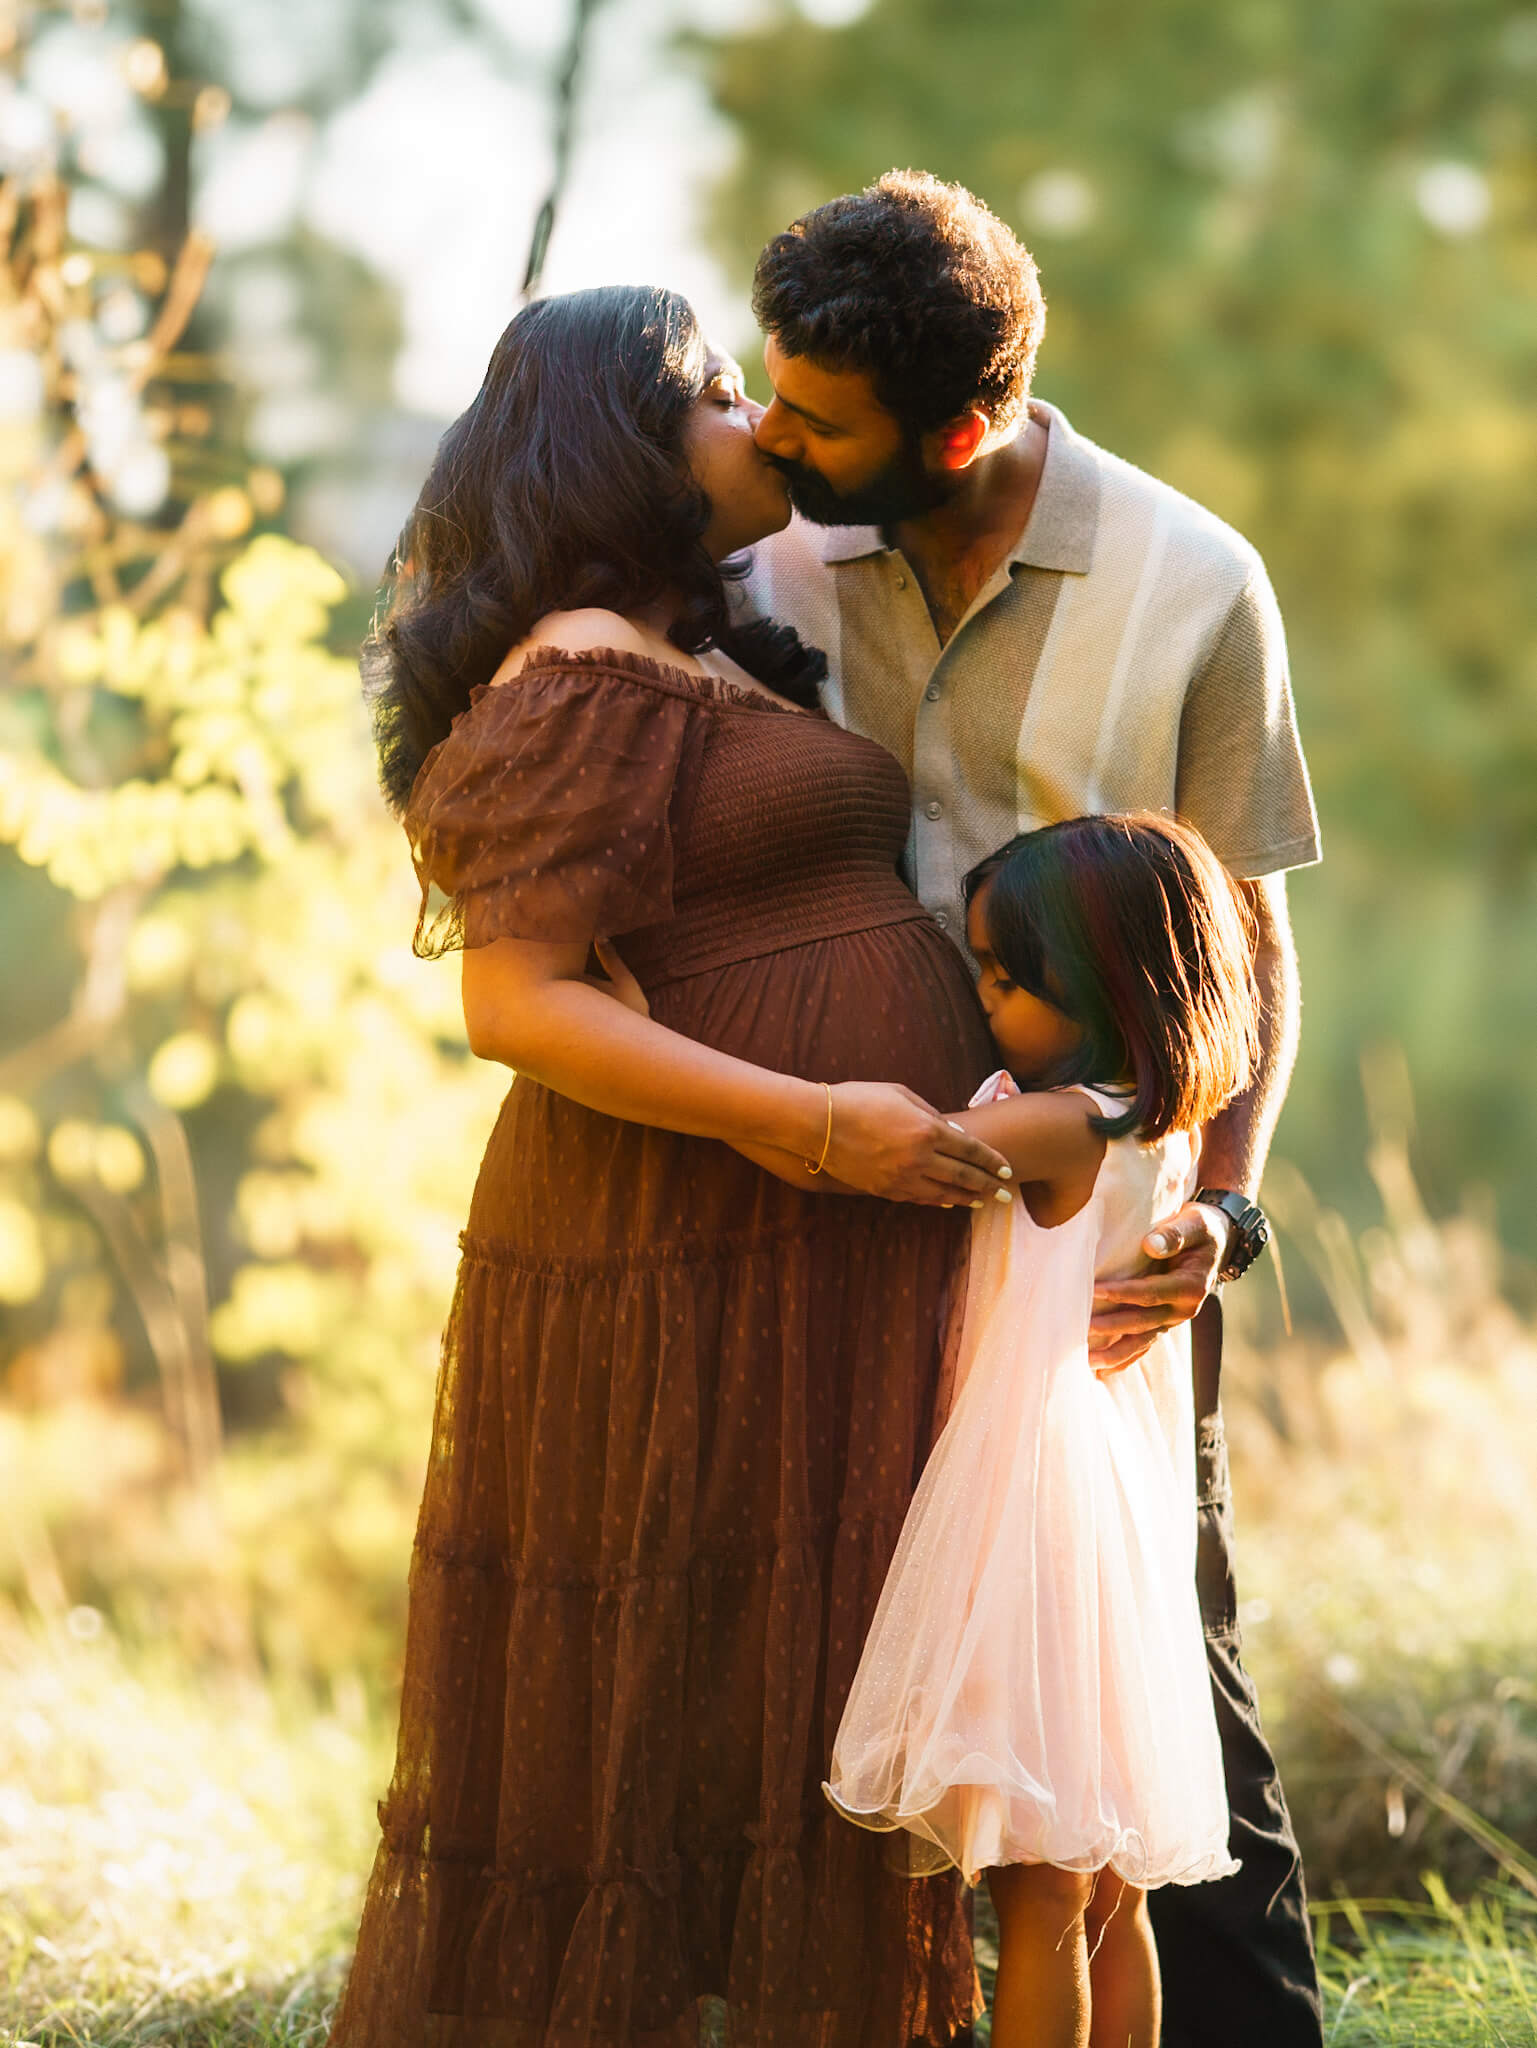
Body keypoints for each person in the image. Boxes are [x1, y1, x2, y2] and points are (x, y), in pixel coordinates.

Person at [326, 282, 1019, 2048]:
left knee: (787, 1653)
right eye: (722, 393)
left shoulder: (692, 650)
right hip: (691, 1224)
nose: (763, 427)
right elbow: (519, 1004)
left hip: (797, 1233)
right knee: (675, 1658)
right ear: (623, 444)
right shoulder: (572, 664)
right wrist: (812, 1119)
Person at [737, 172, 1324, 2046]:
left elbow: (1248, 941)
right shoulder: (775, 559)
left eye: (816, 421)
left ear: (962, 426)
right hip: (833, 1196)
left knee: (1147, 1645)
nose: (775, 439)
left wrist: (1218, 1214)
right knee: (856, 1621)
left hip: (1097, 1227)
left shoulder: (1191, 580)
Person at [824, 814, 1262, 2048]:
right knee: (1105, 1891)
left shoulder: (1066, 1123)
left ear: (1101, 986)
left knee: (1039, 1896)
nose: (981, 997)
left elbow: (889, 1152)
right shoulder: (1158, 1120)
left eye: (1005, 978)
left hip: (1032, 1519)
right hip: (1112, 1514)